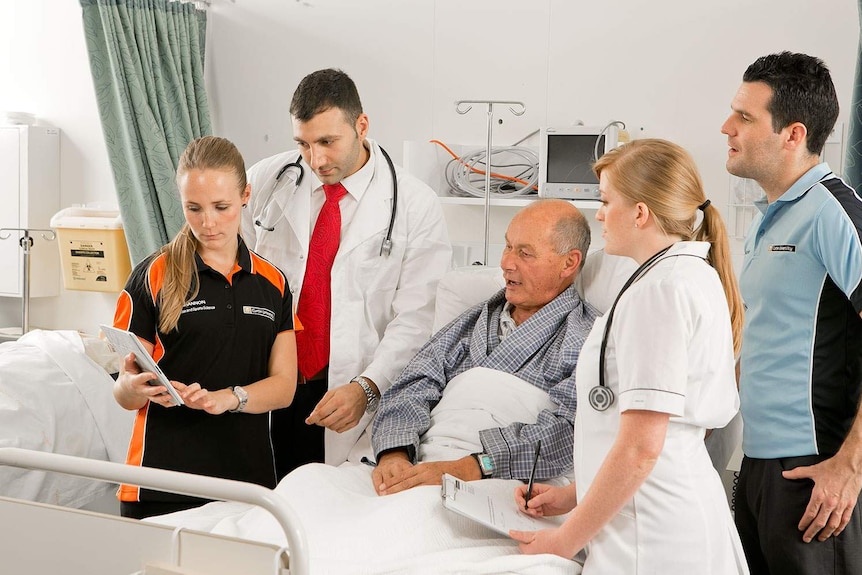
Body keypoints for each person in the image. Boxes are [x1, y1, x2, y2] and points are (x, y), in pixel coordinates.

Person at [510, 139, 748, 574]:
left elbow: (641, 448)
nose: (598, 214)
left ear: (640, 213)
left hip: (653, 533)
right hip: (667, 511)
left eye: (605, 201)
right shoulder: (687, 275)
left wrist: (564, 539)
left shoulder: (660, 291)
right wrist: (573, 494)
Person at [242, 68, 451, 477]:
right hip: (269, 373)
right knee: (255, 504)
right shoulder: (270, 178)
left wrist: (368, 388)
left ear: (361, 125)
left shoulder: (414, 204)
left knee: (319, 505)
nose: (315, 159)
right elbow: (232, 256)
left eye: (327, 142)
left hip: (348, 388)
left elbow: (418, 320)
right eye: (303, 143)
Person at [721, 51, 862, 574]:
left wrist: (849, 467)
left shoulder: (832, 212)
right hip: (759, 465)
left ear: (792, 133)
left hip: (816, 469)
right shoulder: (773, 218)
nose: (726, 126)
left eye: (745, 117)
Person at [112, 136, 298, 519]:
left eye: (221, 207)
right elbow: (125, 394)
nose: (207, 222)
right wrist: (132, 386)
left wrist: (227, 398)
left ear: (245, 196)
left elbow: (284, 388)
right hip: (160, 483)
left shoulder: (273, 282)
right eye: (193, 208)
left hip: (247, 487)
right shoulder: (152, 275)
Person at [371, 199, 598, 494]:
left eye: (525, 253)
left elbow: (570, 432)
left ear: (569, 263)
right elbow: (413, 383)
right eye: (507, 247)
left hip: (505, 480)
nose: (506, 263)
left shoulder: (587, 336)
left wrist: (474, 467)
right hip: (423, 463)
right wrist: (394, 453)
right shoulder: (473, 320)